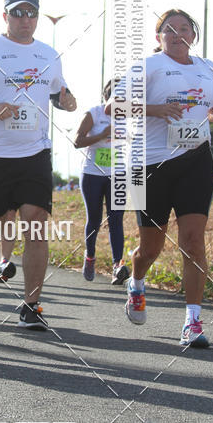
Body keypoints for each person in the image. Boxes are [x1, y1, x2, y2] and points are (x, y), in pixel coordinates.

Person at [107, 9, 213, 348]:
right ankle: (137, 282)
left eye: (184, 28)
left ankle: (193, 322)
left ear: (194, 35)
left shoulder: (208, 68)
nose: (177, 33)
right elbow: (114, 107)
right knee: (151, 247)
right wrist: (156, 110)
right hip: (150, 165)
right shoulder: (149, 67)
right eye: (169, 29)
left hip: (196, 161)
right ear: (159, 37)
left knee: (193, 240)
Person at [0, 0, 77, 330]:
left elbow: (59, 92)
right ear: (6, 15)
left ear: (37, 17)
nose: (25, 19)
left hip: (35, 153)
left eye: (31, 13)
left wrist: (67, 100)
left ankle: (31, 305)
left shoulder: (49, 54)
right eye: (18, 12)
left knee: (35, 222)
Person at [74, 79, 128, 284]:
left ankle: (117, 266)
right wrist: (103, 135)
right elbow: (78, 142)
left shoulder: (130, 117)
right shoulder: (93, 113)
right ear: (106, 97)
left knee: (116, 220)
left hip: (119, 173)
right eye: (115, 96)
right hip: (93, 173)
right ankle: (90, 257)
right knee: (95, 219)